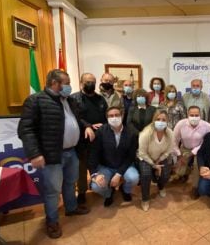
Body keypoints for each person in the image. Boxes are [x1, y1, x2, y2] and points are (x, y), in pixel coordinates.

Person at [17, 69, 92, 239]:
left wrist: (86, 125)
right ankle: (52, 220)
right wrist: (34, 154)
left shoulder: (70, 100)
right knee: (52, 190)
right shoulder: (36, 100)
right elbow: (25, 129)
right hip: (52, 155)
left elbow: (77, 119)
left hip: (72, 151)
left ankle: (71, 208)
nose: (69, 86)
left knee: (70, 183)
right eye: (66, 82)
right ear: (54, 83)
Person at [88, 106, 139, 207]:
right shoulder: (101, 131)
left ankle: (125, 190)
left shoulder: (131, 133)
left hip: (124, 165)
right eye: (111, 116)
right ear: (107, 118)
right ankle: (108, 193)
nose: (114, 118)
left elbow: (131, 156)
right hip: (105, 166)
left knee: (134, 178)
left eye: (117, 115)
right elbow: (93, 153)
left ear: (122, 116)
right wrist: (94, 174)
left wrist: (119, 174)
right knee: (96, 186)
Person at [70, 73, 108, 205]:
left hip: (98, 139)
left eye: (93, 81)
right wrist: (88, 126)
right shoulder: (74, 98)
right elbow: (74, 117)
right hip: (81, 139)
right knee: (82, 167)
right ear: (81, 83)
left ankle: (99, 185)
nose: (90, 84)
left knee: (98, 164)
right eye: (87, 82)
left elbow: (106, 117)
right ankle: (81, 192)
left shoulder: (100, 99)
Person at [137, 110, 174, 211]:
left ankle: (161, 186)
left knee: (166, 174)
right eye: (158, 119)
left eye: (164, 120)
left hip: (160, 157)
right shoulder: (145, 133)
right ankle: (145, 199)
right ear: (153, 120)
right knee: (146, 175)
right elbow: (142, 153)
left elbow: (169, 150)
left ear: (167, 122)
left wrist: (159, 160)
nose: (161, 122)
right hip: (146, 158)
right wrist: (153, 164)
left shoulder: (170, 133)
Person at [172, 106, 210, 198]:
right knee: (180, 170)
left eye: (196, 115)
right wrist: (178, 155)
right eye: (192, 115)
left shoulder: (207, 126)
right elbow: (174, 140)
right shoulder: (180, 124)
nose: (194, 117)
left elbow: (206, 142)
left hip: (200, 150)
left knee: (196, 165)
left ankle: (195, 187)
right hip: (185, 148)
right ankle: (184, 174)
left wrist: (194, 152)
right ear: (187, 115)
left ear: (200, 115)